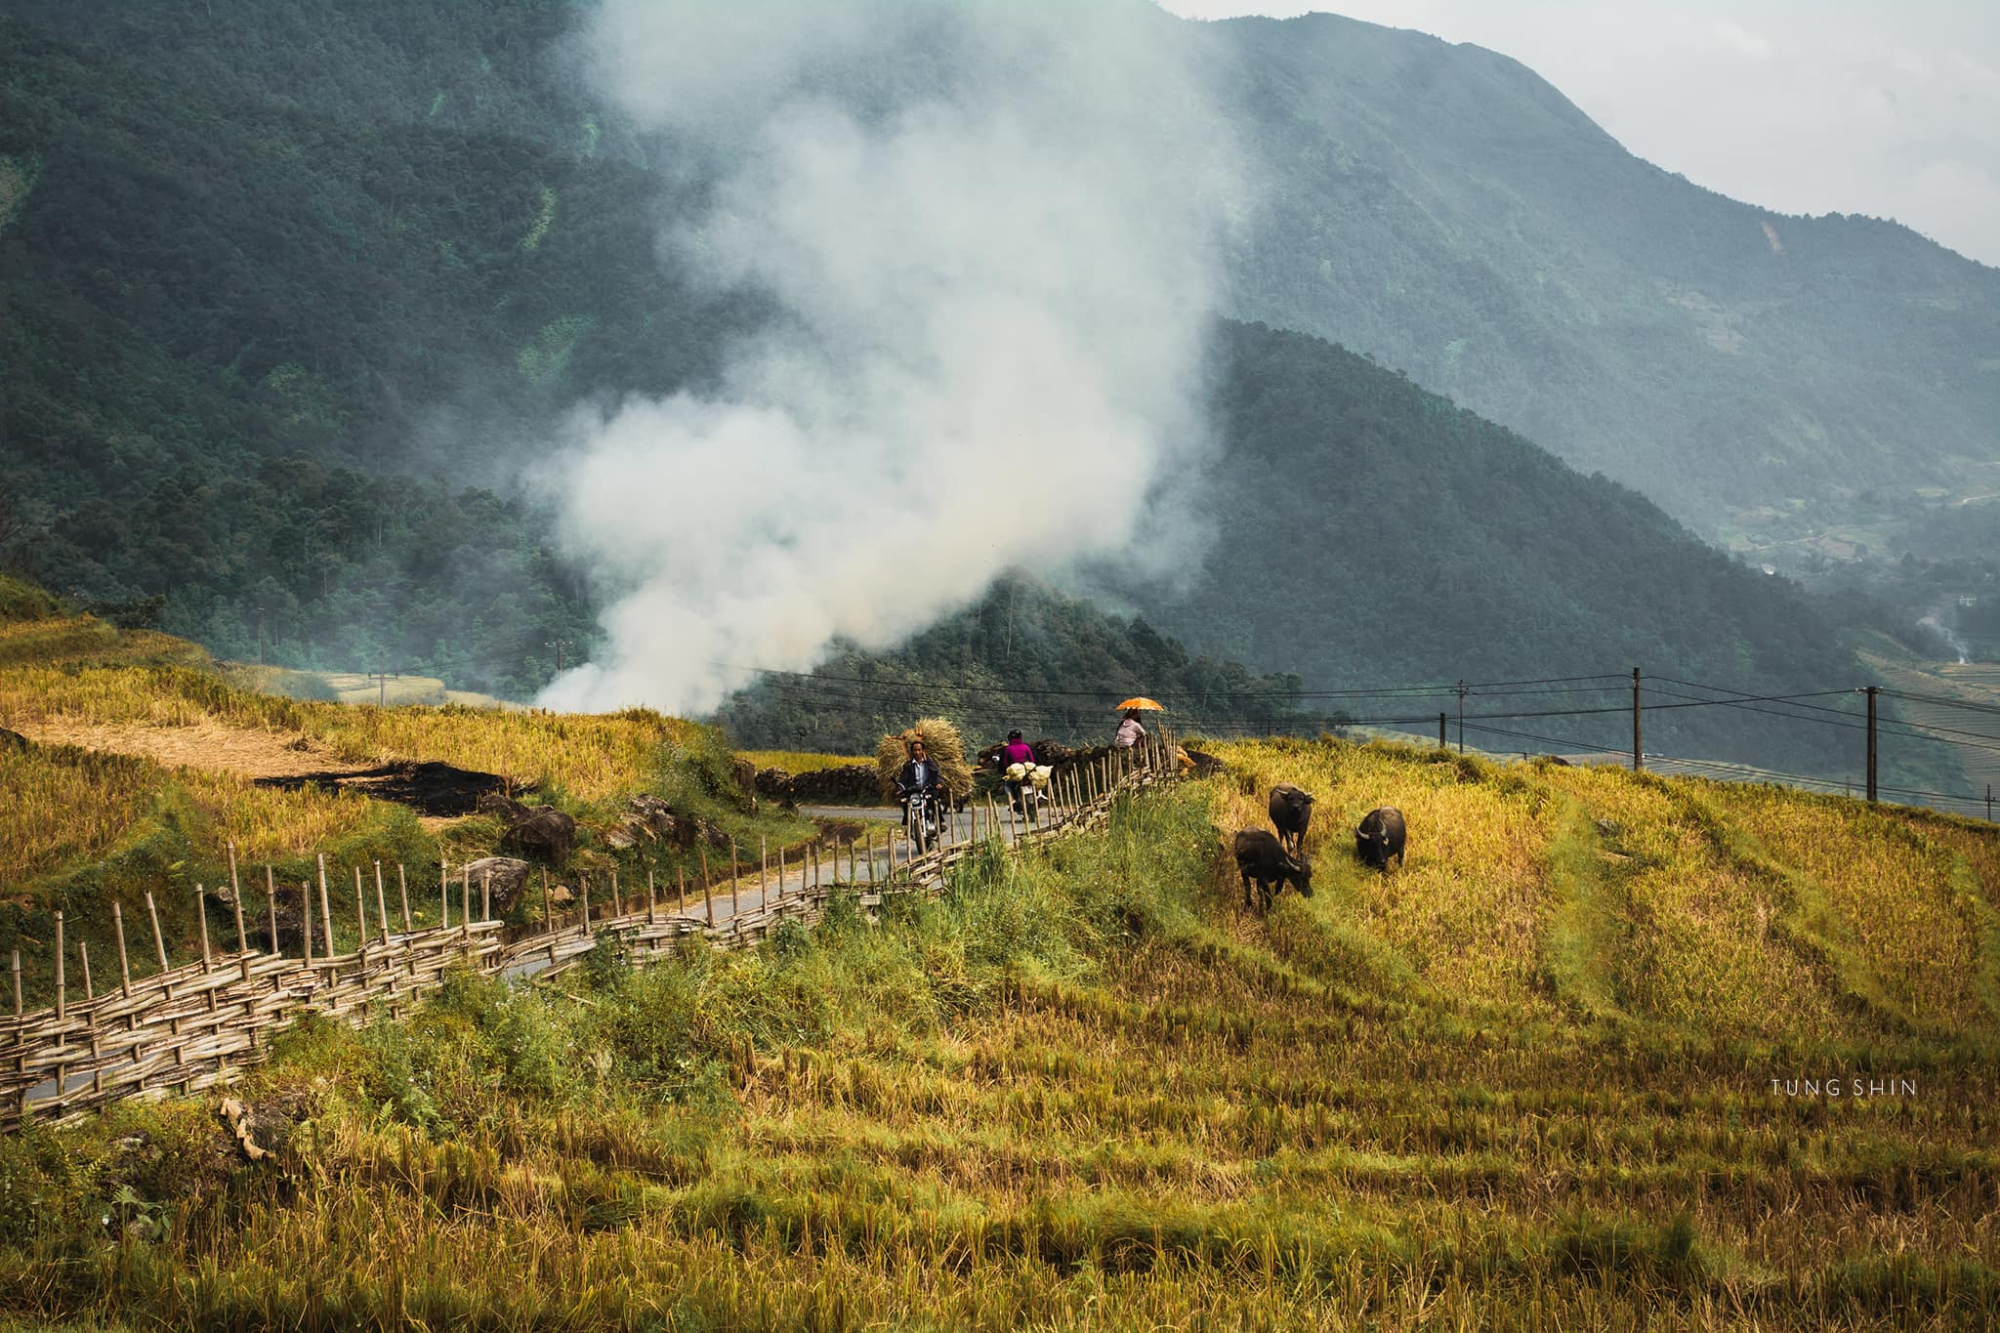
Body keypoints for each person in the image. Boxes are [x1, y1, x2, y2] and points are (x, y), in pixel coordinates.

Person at [1000, 729, 1035, 812]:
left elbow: (1005, 763)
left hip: (1015, 774)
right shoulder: (1026, 747)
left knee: (1007, 785)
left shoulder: (1008, 749)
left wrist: (1006, 770)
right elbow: (1032, 760)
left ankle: (1012, 800)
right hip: (1027, 773)